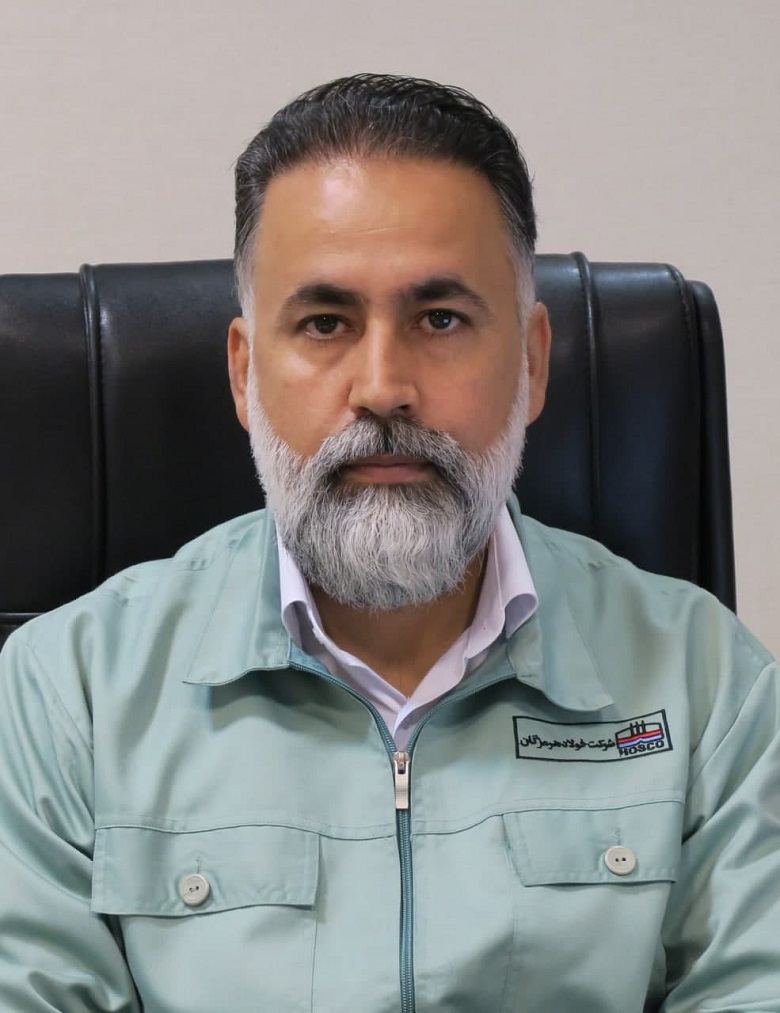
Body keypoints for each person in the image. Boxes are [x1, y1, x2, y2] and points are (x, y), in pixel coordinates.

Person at [1, 73, 779, 1013]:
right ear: (245, 375)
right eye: (325, 322)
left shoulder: (708, 684)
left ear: (532, 362)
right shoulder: (67, 694)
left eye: (440, 320)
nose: (383, 387)